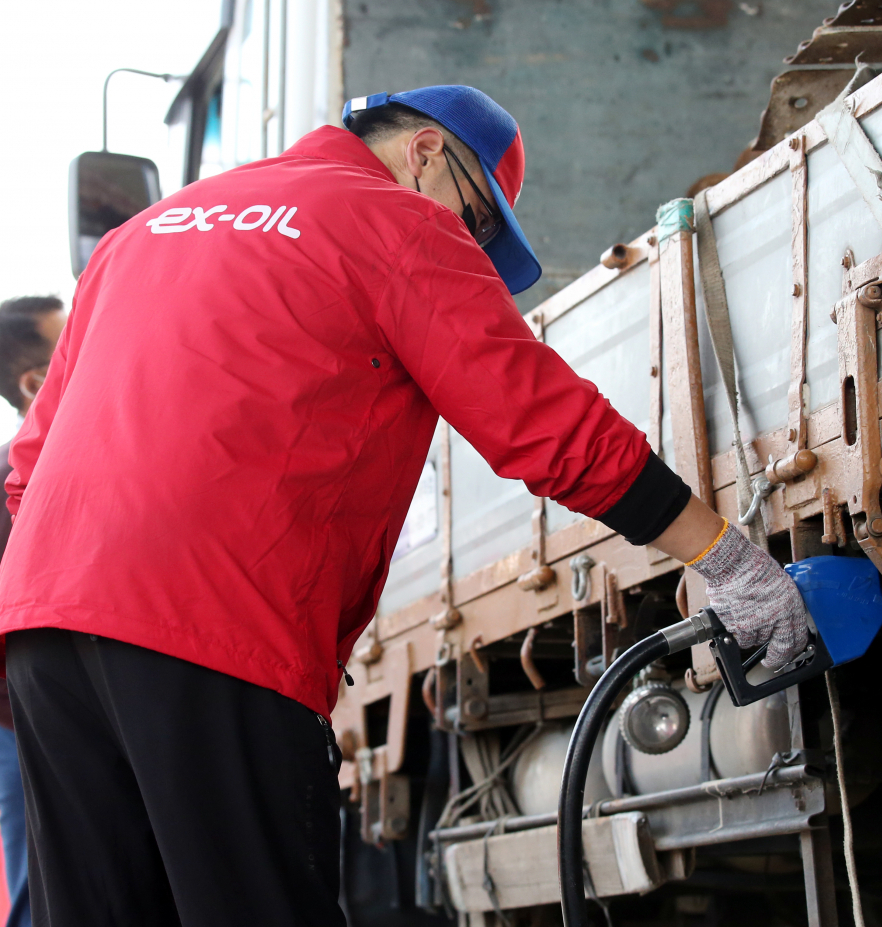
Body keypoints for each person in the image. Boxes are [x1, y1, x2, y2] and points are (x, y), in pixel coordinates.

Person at [0, 86, 809, 925]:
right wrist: (725, 556)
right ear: (426, 150)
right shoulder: (392, 218)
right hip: (213, 619)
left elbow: (28, 467)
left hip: (44, 633)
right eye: (481, 219)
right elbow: (539, 422)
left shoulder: (141, 236)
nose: (476, 244)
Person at [0, 295, 66, 927]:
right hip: (20, 719)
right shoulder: (14, 476)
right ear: (34, 382)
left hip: (33, 711)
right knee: (43, 883)